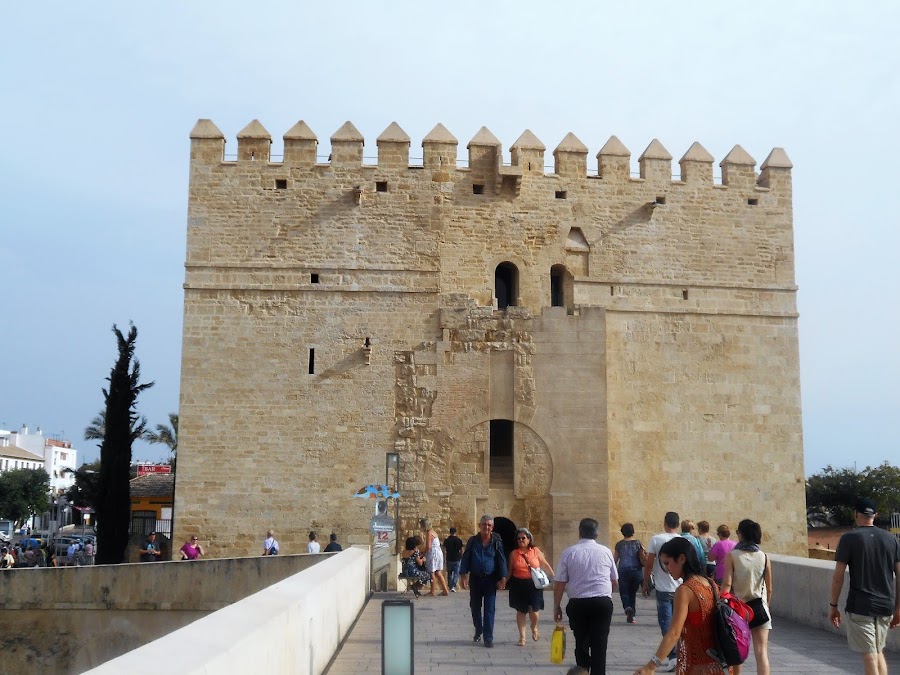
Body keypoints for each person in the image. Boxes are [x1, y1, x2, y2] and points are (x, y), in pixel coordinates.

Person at [634, 537, 730, 675]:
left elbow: (674, 633)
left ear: (682, 559)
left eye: (667, 563)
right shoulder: (710, 584)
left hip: (698, 665)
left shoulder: (685, 590)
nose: (667, 569)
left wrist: (651, 666)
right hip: (717, 665)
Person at [830, 498, 900, 675]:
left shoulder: (849, 538)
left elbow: (838, 577)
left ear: (856, 515)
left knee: (869, 655)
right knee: (877, 651)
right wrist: (898, 607)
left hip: (860, 606)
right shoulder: (891, 539)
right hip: (886, 605)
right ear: (875, 516)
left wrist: (833, 606)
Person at [553, 517, 618, 674]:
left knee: (581, 640)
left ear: (580, 532)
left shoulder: (569, 553)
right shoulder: (606, 552)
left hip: (578, 603)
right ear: (596, 534)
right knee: (600, 643)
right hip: (602, 602)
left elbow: (560, 582)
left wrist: (557, 606)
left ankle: (582, 670)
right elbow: (614, 581)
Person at [722, 519, 773, 675]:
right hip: (760, 608)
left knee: (736, 654)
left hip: (738, 610)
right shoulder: (764, 556)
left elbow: (727, 585)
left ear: (740, 534)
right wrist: (765, 605)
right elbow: (769, 588)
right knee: (761, 653)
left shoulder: (732, 555)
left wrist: (721, 601)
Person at [460, 514, 508, 648]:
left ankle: (488, 638)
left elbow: (501, 559)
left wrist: (503, 577)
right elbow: (466, 557)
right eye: (484, 525)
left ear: (492, 527)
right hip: (475, 578)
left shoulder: (496, 542)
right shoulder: (473, 541)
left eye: (489, 525)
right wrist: (463, 575)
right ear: (479, 526)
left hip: (490, 579)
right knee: (475, 607)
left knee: (489, 609)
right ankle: (478, 629)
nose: (486, 527)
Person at [643, 511, 682, 672]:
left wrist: (645, 582)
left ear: (665, 523)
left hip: (663, 588)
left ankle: (673, 656)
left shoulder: (656, 539)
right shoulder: (684, 540)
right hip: (681, 588)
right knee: (680, 623)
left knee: (666, 622)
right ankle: (678, 655)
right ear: (678, 524)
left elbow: (649, 563)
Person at [507, 527, 555, 645]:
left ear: (529, 539)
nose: (521, 540)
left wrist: (554, 577)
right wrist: (504, 581)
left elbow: (544, 564)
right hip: (519, 584)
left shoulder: (535, 551)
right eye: (518, 539)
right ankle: (522, 637)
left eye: (523, 538)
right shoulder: (514, 553)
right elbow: (510, 570)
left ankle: (534, 627)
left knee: (534, 611)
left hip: (534, 584)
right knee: (521, 611)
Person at [615, 523, 646, 624]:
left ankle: (628, 608)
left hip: (623, 571)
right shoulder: (638, 543)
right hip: (636, 571)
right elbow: (644, 556)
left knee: (624, 592)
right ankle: (632, 617)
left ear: (622, 532)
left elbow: (614, 560)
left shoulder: (619, 544)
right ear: (633, 531)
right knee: (632, 593)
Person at [419, 518, 449, 596]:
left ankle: (432, 591)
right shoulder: (434, 532)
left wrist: (423, 554)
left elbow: (428, 546)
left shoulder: (429, 533)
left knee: (432, 572)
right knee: (438, 572)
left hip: (433, 553)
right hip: (438, 552)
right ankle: (445, 590)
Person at [443, 527, 464, 592]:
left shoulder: (446, 540)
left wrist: (444, 557)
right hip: (457, 558)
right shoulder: (458, 540)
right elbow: (462, 550)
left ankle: (450, 586)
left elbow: (444, 550)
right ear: (455, 532)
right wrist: (461, 557)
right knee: (456, 573)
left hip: (449, 558)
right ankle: (453, 586)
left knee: (449, 573)